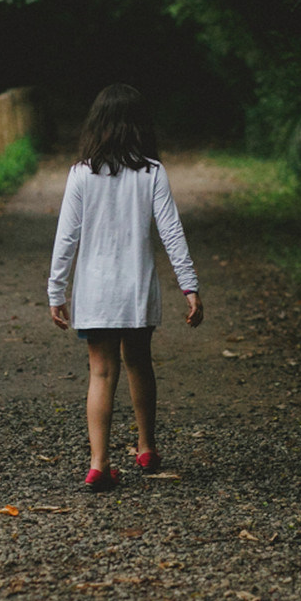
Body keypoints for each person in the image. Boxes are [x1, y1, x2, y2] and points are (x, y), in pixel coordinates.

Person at [48, 84, 204, 491]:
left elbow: (67, 238)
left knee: (100, 373)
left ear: (95, 125)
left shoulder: (81, 174)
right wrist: (189, 286)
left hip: (96, 294)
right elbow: (171, 232)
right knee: (139, 362)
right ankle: (146, 446)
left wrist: (56, 292)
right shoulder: (152, 172)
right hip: (136, 291)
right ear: (140, 126)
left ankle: (99, 464)